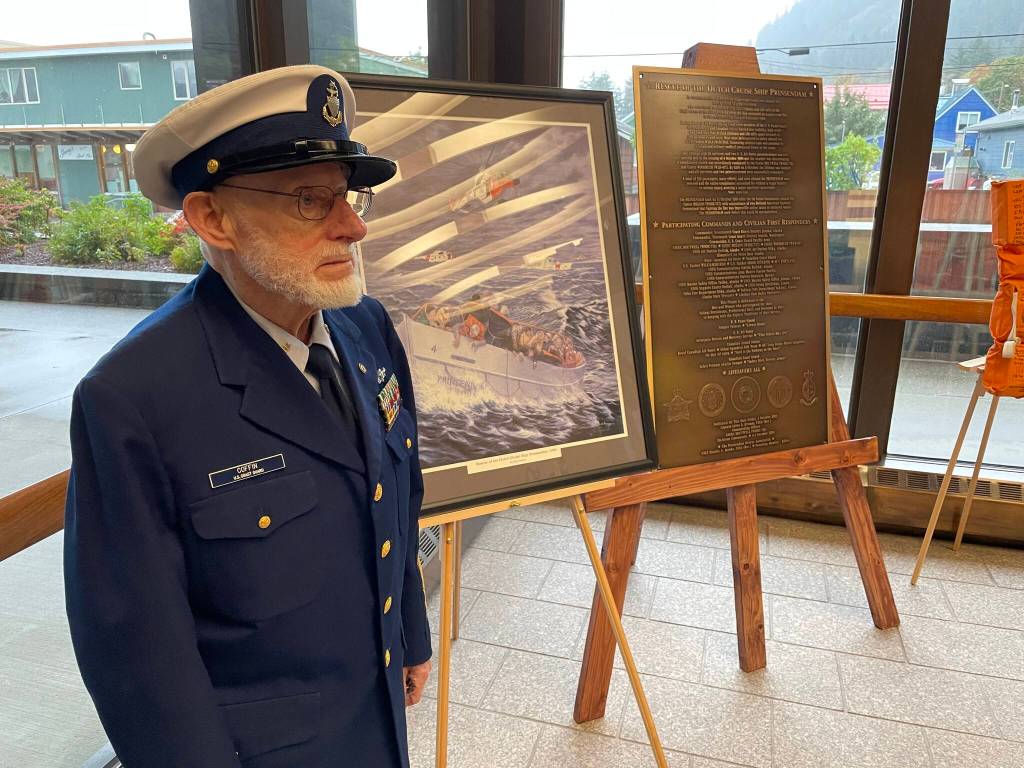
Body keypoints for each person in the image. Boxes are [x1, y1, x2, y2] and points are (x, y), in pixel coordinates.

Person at [63, 65, 432, 768]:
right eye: (307, 200)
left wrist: (409, 633)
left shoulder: (365, 328)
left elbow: (394, 496)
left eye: (349, 196)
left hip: (376, 717)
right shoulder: (135, 395)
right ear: (212, 219)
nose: (351, 225)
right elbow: (137, 654)